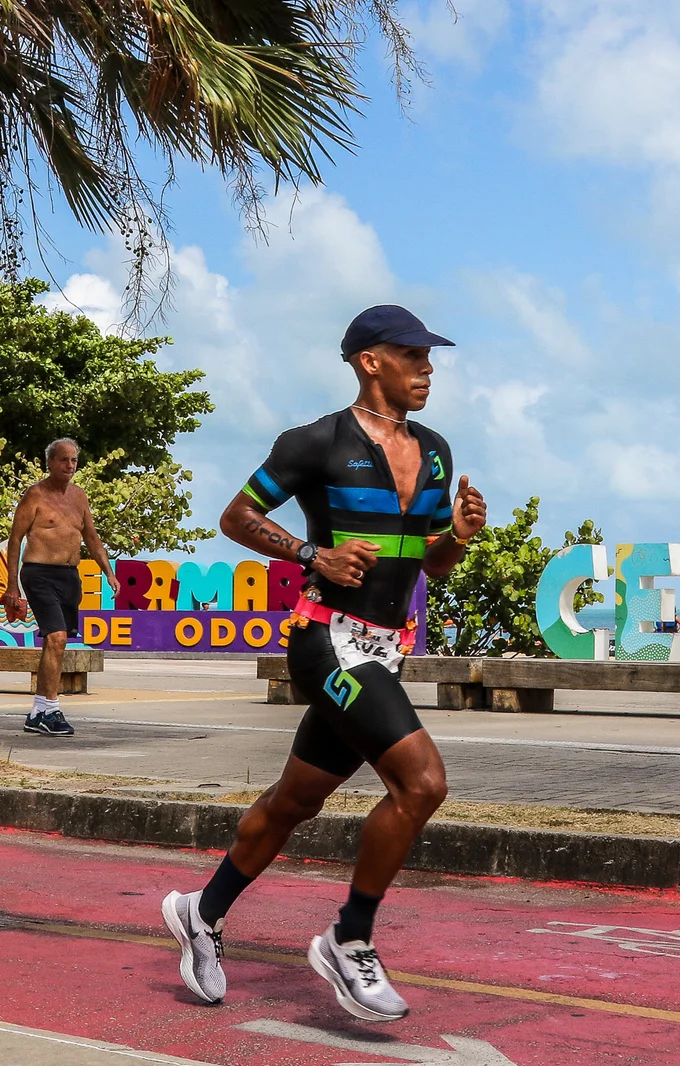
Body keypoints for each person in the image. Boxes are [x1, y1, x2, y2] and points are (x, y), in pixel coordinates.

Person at [161, 305, 487, 1022]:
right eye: (413, 355)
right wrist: (315, 554)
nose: (428, 368)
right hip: (325, 639)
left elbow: (431, 560)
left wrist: (457, 538)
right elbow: (236, 517)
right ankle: (350, 939)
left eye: (430, 358)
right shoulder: (316, 442)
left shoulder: (434, 451)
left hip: (384, 650)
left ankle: (200, 911)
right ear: (371, 362)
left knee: (294, 802)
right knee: (422, 783)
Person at [1, 439, 120, 737]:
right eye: (63, 460)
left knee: (56, 643)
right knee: (56, 638)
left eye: (74, 460)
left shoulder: (79, 497)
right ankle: (51, 709)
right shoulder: (35, 495)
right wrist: (11, 586)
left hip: (69, 576)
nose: (69, 465)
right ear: (50, 462)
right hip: (38, 574)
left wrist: (109, 572)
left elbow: (91, 537)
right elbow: (15, 540)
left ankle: (38, 713)